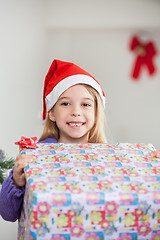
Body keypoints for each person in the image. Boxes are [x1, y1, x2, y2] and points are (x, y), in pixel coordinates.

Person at [0, 59, 160, 222]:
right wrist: (16, 181)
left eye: (85, 104)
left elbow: (130, 194)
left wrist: (150, 164)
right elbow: (8, 213)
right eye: (65, 103)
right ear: (52, 113)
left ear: (97, 113)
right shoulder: (36, 155)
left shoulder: (109, 158)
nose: (76, 111)